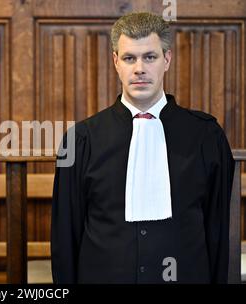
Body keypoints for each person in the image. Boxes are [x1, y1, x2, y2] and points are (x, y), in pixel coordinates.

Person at [51, 12, 234, 283]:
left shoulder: (206, 136)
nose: (139, 68)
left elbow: (216, 230)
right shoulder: (82, 139)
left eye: (150, 57)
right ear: (116, 61)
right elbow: (66, 235)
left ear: (167, 60)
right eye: (129, 58)